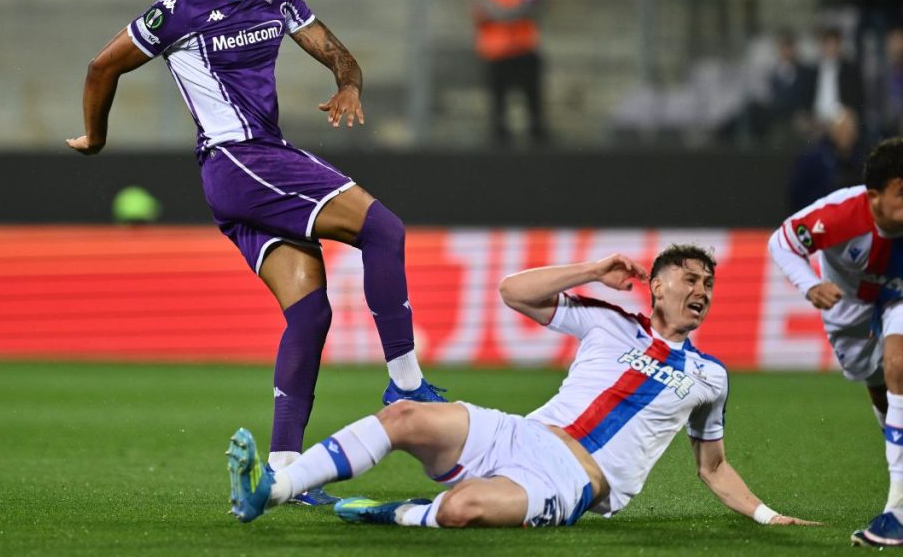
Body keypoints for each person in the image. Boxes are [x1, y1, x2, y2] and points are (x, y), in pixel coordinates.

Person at [66, 0, 446, 505]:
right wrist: (97, 138)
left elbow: (339, 53)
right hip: (239, 160)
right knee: (384, 230)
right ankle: (405, 384)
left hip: (245, 174)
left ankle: (285, 474)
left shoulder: (278, 0)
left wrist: (348, 83)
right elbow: (101, 66)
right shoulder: (180, 11)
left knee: (310, 314)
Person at [228, 245, 817, 530]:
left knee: (462, 511)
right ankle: (273, 488)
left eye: (708, 284)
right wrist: (592, 272)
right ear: (656, 287)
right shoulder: (610, 319)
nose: (703, 291)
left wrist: (767, 515)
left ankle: (388, 512)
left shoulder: (709, 375)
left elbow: (712, 467)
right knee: (406, 415)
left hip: (572, 478)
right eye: (690, 278)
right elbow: (515, 291)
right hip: (522, 433)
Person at [768, 137, 903, 546]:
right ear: (875, 196)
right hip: (849, 305)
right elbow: (782, 242)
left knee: (899, 365)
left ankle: (896, 510)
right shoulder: (840, 214)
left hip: (899, 295)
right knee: (879, 389)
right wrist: (809, 285)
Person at [470, 0, 547, 145]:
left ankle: (537, 137)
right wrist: (510, 12)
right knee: (498, 104)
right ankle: (499, 140)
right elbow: (482, 5)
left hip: (524, 47)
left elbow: (531, 4)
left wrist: (502, 13)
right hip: (496, 50)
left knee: (533, 99)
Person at [786, 107, 864, 213]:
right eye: (842, 129)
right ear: (832, 130)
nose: (846, 134)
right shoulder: (813, 158)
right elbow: (796, 195)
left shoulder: (861, 159)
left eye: (850, 130)